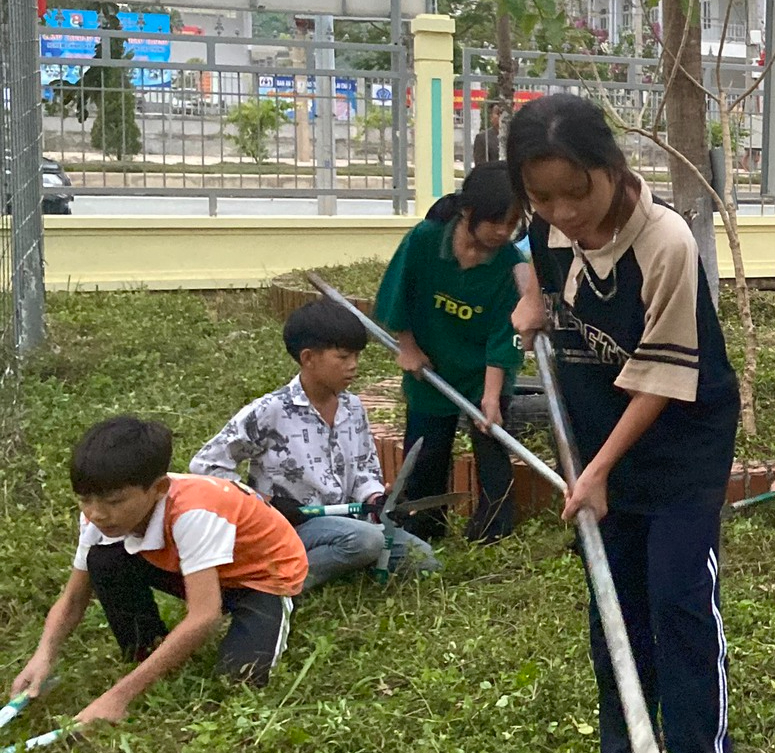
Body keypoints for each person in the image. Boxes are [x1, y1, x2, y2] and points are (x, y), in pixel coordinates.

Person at [508, 95, 740, 753]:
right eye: (542, 197)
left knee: (676, 595)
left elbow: (666, 380)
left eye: (576, 192)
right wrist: (529, 297)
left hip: (678, 438)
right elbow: (528, 252)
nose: (563, 212)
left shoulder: (664, 243)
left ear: (609, 167)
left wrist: (601, 469)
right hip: (595, 428)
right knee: (612, 595)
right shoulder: (545, 226)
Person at [11, 417, 308, 723]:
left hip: (261, 577)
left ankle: (156, 666)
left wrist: (118, 698)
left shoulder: (195, 513)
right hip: (196, 567)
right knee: (103, 558)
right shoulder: (98, 517)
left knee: (239, 678)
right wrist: (43, 655)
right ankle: (146, 648)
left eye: (114, 501)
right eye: (85, 500)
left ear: (159, 488)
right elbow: (73, 598)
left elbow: (204, 616)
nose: (97, 513)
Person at [191, 298, 438, 590]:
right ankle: (274, 586)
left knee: (424, 560)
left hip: (349, 522)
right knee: (366, 541)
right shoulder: (271, 410)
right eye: (343, 357)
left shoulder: (354, 407)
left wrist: (375, 499)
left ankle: (340, 563)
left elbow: (364, 470)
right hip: (291, 527)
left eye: (357, 357)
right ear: (308, 358)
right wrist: (261, 504)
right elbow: (205, 465)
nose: (354, 366)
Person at [374, 164, 532, 544]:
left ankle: (493, 528)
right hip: (431, 363)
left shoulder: (510, 266)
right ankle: (424, 525)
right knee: (426, 451)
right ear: (467, 211)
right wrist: (408, 347)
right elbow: (398, 291)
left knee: (492, 448)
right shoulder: (426, 240)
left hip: (483, 372)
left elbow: (503, 334)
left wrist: (491, 398)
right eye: (495, 221)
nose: (502, 232)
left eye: (510, 224)